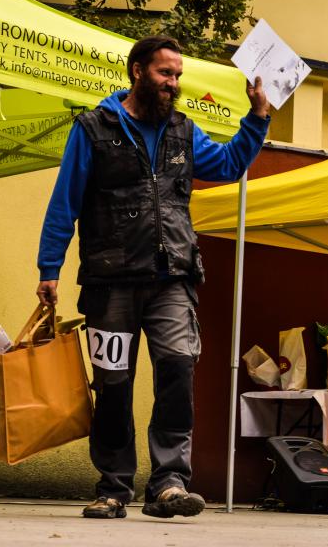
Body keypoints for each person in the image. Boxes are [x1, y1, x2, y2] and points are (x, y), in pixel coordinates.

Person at [37, 35, 270, 519]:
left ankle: (168, 483)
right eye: (166, 73)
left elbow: (230, 165)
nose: (174, 83)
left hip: (172, 278)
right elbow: (65, 202)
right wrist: (49, 269)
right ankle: (113, 487)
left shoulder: (183, 131)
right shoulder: (93, 128)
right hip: (110, 282)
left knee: (178, 370)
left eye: (178, 75)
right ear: (138, 71)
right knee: (113, 384)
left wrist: (257, 117)